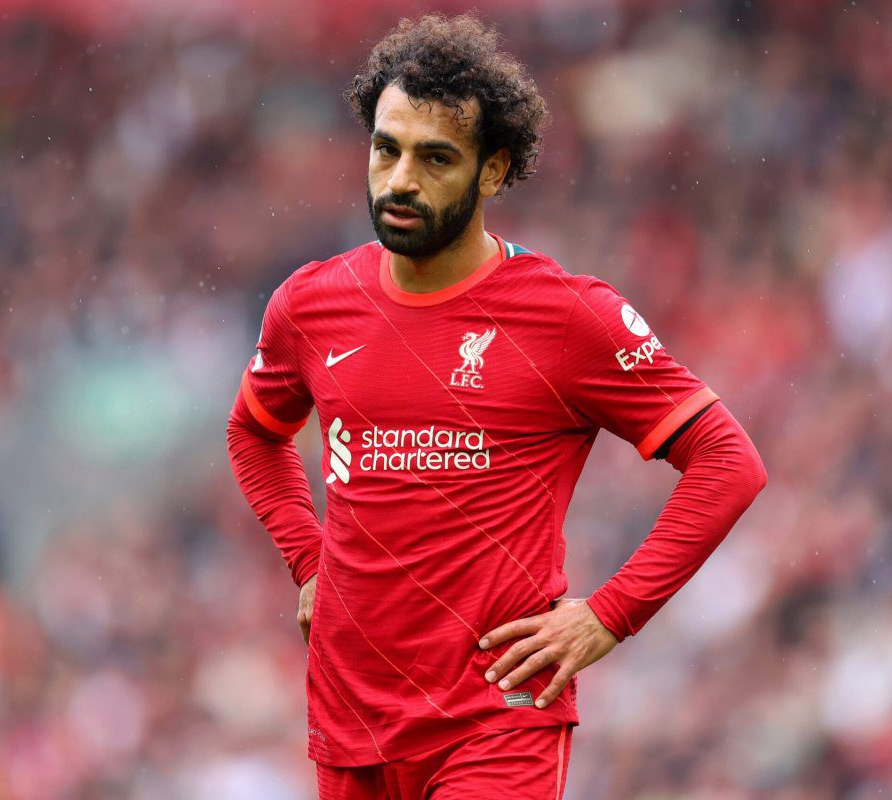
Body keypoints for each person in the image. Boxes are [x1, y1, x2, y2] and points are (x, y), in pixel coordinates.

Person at [226, 13, 767, 800]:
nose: (401, 178)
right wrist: (311, 562)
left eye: (435, 157)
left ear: (492, 171)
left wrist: (609, 615)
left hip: (496, 719)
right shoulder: (311, 305)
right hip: (349, 720)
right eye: (387, 149)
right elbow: (254, 432)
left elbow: (727, 462)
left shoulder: (565, 316)